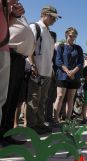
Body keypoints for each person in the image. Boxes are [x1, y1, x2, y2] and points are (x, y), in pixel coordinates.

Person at [0, 0, 35, 145]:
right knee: (5, 98)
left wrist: (14, 13)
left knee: (13, 98)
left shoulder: (13, 8)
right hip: (11, 54)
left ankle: (7, 134)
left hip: (19, 59)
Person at [26, 6, 60, 134]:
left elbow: (49, 54)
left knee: (43, 100)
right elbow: (30, 47)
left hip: (46, 71)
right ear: (44, 14)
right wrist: (33, 65)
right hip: (37, 70)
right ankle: (31, 126)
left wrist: (50, 70)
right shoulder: (35, 27)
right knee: (34, 99)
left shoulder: (48, 32)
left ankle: (39, 123)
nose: (54, 20)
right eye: (52, 17)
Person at [53, 27, 84, 123]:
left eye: (74, 36)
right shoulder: (61, 47)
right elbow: (58, 61)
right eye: (71, 35)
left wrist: (73, 72)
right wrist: (67, 71)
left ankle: (68, 119)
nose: (72, 37)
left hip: (74, 76)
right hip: (62, 75)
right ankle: (55, 119)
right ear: (66, 35)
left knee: (71, 99)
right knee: (60, 96)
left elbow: (80, 62)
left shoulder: (78, 48)